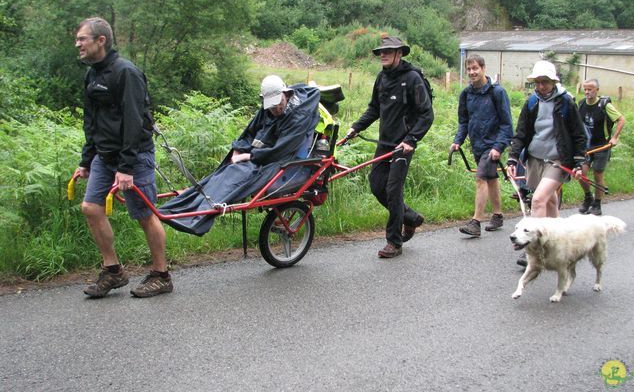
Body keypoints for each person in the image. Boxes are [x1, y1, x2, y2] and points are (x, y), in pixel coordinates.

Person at [74, 17, 172, 298]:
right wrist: (86, 159)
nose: (77, 44)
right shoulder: (92, 74)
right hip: (104, 157)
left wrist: (127, 167)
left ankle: (161, 274)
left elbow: (133, 120)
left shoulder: (126, 72)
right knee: (91, 208)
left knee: (144, 215)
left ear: (100, 40)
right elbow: (91, 121)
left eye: (82, 39)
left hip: (135, 156)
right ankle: (113, 270)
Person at [159, 75, 320, 236]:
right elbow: (250, 132)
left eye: (279, 104)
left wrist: (249, 156)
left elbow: (282, 149)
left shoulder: (300, 115)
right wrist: (239, 149)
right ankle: (180, 206)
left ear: (286, 94)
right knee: (226, 170)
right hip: (261, 153)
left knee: (238, 176)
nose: (276, 109)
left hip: (281, 157)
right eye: (271, 106)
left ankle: (198, 218)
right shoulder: (268, 109)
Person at [346, 36, 434, 258]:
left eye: (388, 51)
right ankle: (410, 217)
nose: (383, 55)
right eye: (380, 52)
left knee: (393, 190)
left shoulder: (412, 78)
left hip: (403, 145)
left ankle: (394, 242)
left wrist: (411, 140)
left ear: (399, 53)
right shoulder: (382, 78)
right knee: (376, 186)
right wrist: (355, 128)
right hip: (384, 143)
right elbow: (374, 109)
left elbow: (427, 114)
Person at [507, 60, 587, 266]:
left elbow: (579, 135)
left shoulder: (566, 102)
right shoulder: (532, 102)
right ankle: (560, 243)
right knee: (550, 200)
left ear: (553, 81)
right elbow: (522, 133)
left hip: (558, 161)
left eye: (545, 82)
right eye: (538, 82)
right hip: (535, 158)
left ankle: (532, 250)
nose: (541, 86)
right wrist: (513, 157)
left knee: (538, 200)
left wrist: (579, 162)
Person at [451, 55, 513, 237]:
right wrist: (457, 141)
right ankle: (498, 215)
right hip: (477, 144)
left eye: (475, 68)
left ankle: (476, 222)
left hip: (493, 145)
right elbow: (463, 121)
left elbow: (507, 124)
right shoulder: (466, 94)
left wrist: (499, 146)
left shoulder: (497, 92)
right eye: (469, 69)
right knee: (490, 178)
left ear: (483, 68)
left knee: (481, 178)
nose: (472, 72)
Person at [577, 79, 625, 216]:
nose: (587, 92)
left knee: (598, 174)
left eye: (590, 89)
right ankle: (588, 197)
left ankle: (597, 204)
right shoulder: (581, 105)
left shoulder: (604, 105)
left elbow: (621, 119)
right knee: (581, 173)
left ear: (597, 90)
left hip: (601, 146)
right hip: (586, 147)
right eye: (585, 89)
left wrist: (614, 137)